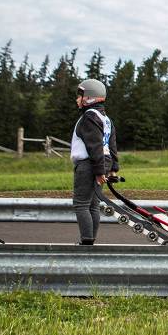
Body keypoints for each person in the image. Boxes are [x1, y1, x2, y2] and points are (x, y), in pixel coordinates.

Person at [70, 79, 119, 245]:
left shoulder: (89, 117)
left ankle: (86, 243)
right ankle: (90, 242)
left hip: (88, 166)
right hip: (101, 165)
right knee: (93, 205)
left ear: (89, 98)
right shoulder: (105, 118)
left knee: (81, 205)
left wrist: (98, 172)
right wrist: (112, 168)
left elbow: (95, 146)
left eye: (80, 96)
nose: (77, 99)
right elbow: (111, 145)